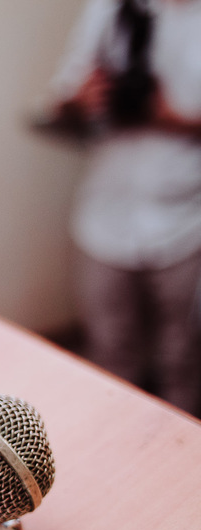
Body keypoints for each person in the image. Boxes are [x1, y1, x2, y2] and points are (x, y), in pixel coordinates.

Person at [44, 0, 201, 415]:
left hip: (187, 217)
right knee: (110, 348)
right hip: (106, 212)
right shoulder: (110, 9)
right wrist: (82, 99)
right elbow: (60, 104)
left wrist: (175, 117)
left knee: (183, 355)